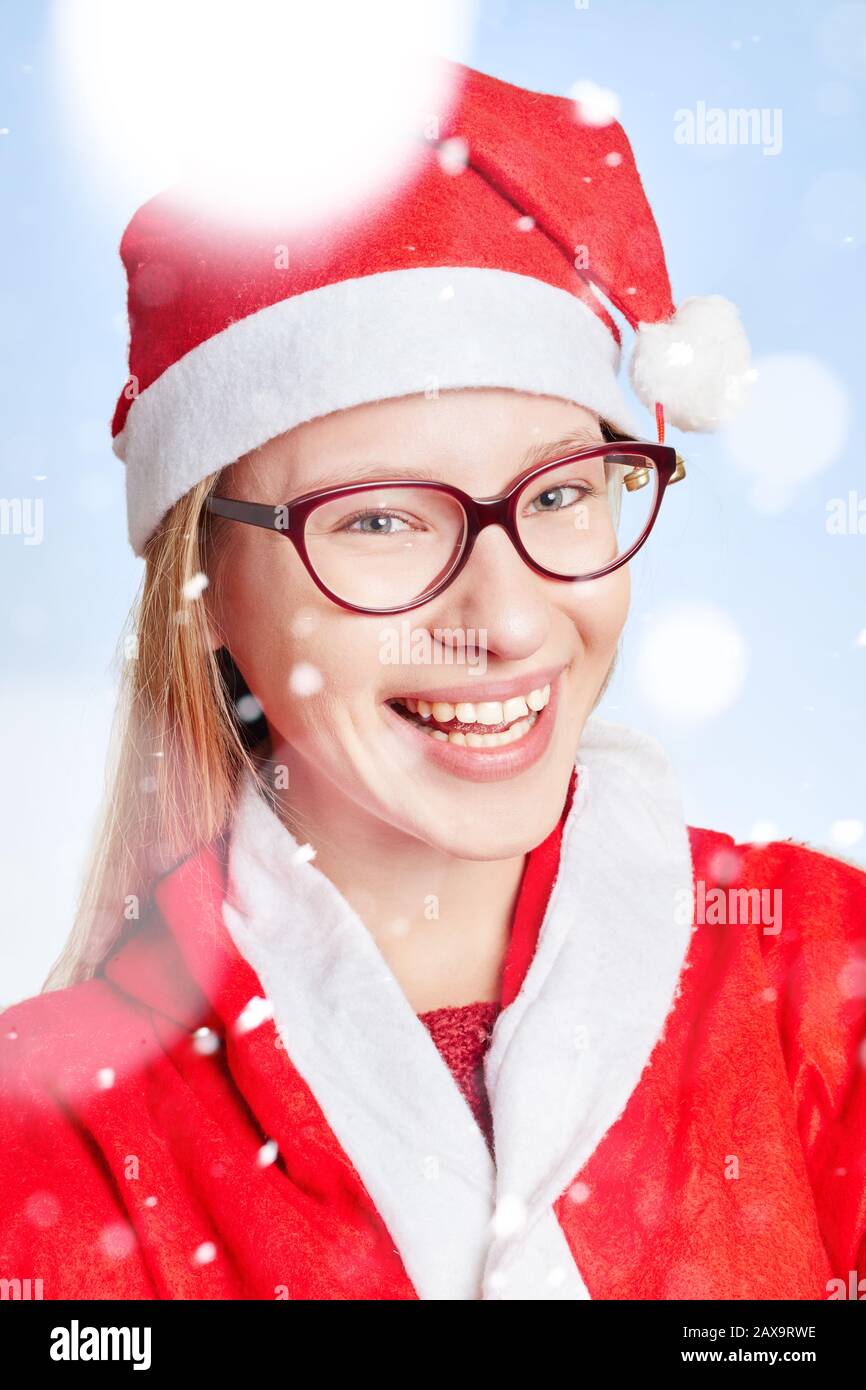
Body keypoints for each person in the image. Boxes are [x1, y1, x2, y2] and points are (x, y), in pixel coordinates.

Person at [1, 59, 863, 1303]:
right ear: (208, 592)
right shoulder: (56, 1134)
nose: (508, 619)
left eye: (561, 493)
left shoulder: (817, 979)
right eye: (382, 522)